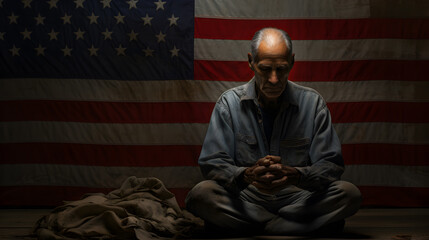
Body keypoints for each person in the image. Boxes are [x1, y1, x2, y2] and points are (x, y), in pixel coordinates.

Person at [185, 27, 361, 236]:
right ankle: (293, 227)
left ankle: (256, 227)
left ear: (292, 62)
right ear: (251, 62)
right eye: (266, 69)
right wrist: (246, 175)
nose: (274, 79)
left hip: (298, 198)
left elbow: (331, 164)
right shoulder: (229, 103)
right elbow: (212, 162)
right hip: (247, 197)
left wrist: (296, 175)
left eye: (282, 69)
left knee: (349, 194)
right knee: (201, 195)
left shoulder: (313, 103)